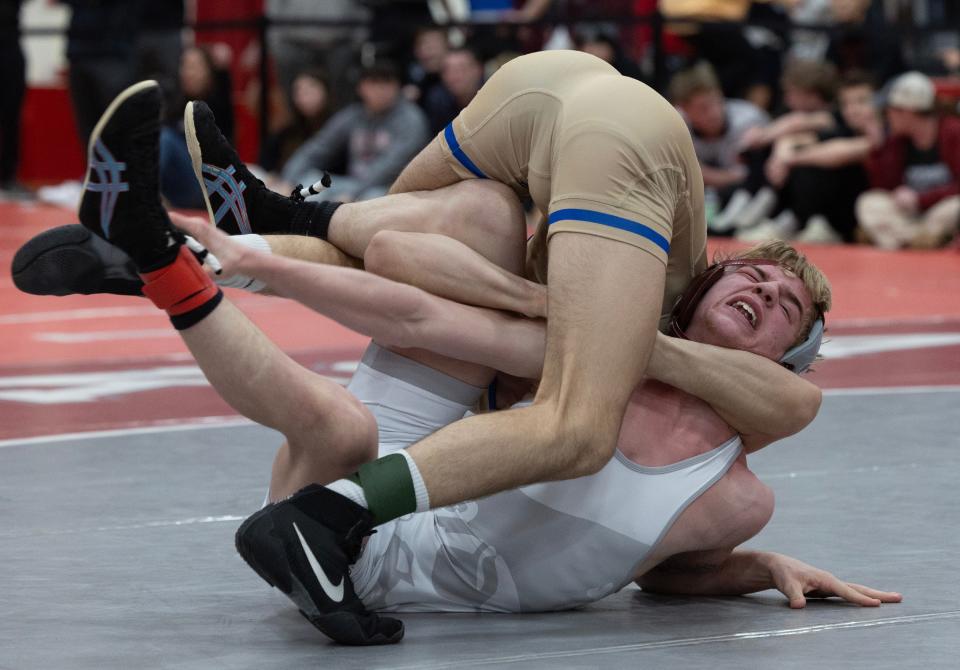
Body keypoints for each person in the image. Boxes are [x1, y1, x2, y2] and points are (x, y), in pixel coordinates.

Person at [22, 51, 723, 644]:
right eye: (761, 278)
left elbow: (414, 302)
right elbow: (411, 289)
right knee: (479, 222)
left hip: (357, 529)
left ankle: (195, 249)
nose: (755, 289)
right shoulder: (628, 380)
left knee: (360, 395)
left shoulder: (633, 398)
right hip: (412, 439)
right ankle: (221, 238)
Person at [279, 61, 430, 202]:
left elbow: (390, 167)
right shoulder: (353, 115)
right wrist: (287, 180)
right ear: (360, 87)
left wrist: (353, 194)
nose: (379, 90)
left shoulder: (411, 119)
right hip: (352, 183)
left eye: (385, 83)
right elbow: (318, 147)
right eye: (372, 83)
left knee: (372, 198)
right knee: (310, 181)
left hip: (390, 188)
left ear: (397, 86)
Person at [855, 71, 960, 250]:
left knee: (955, 207)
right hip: (910, 215)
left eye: (890, 110)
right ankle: (919, 241)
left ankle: (904, 240)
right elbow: (884, 187)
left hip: (939, 211)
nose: (886, 116)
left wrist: (920, 199)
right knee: (869, 202)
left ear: (908, 111)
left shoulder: (953, 132)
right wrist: (878, 149)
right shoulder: (897, 140)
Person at [421, 47, 485, 136]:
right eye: (447, 70)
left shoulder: (496, 97)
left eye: (462, 69)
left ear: (478, 70)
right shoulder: (437, 101)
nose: (454, 76)